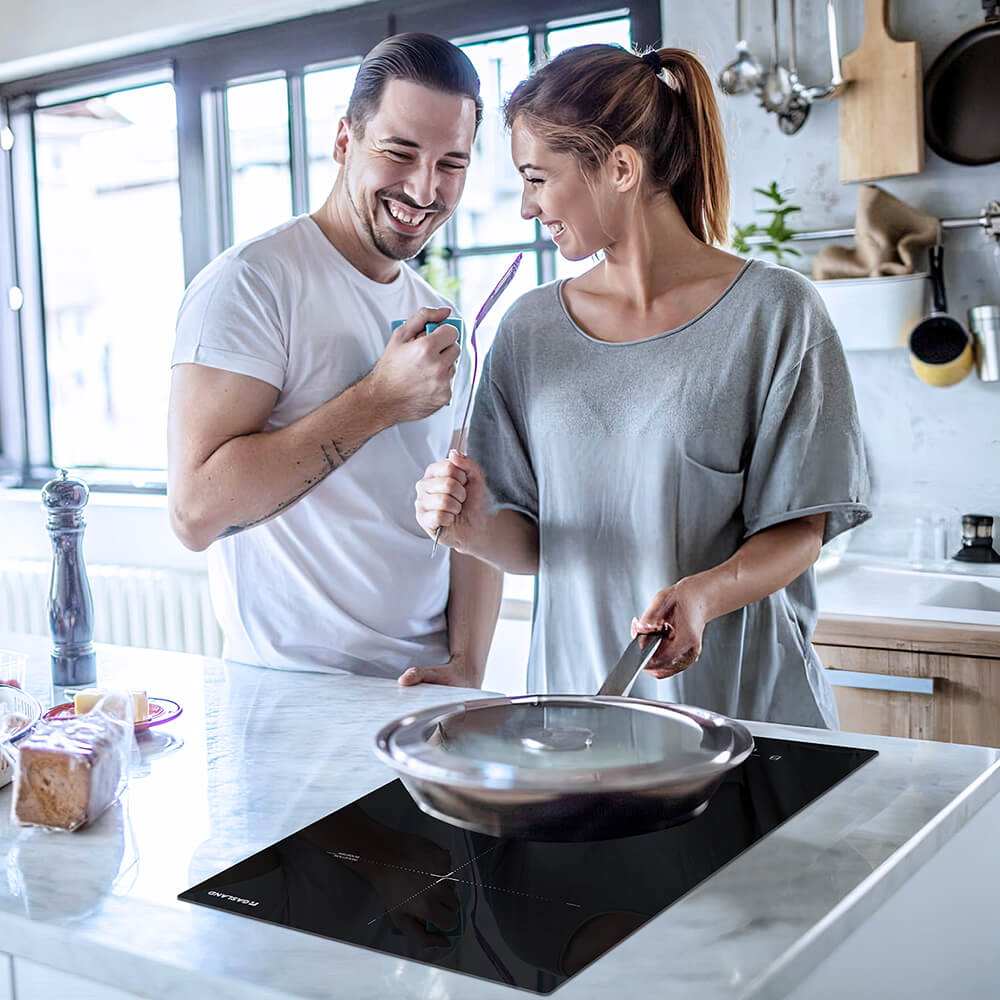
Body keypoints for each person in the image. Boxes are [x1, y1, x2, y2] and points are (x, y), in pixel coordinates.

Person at [414, 44, 871, 727]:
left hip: (749, 719)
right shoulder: (530, 330)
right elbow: (534, 544)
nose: (525, 207)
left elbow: (802, 527)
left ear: (621, 168)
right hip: (579, 721)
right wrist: (469, 527)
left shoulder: (777, 312)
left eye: (537, 178)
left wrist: (705, 595)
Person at [168, 33, 502, 684]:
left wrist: (468, 665)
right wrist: (379, 400)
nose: (424, 188)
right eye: (400, 152)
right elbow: (193, 513)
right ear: (345, 141)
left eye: (451, 164)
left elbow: (470, 514)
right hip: (290, 699)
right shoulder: (252, 284)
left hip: (419, 702)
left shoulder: (445, 319)